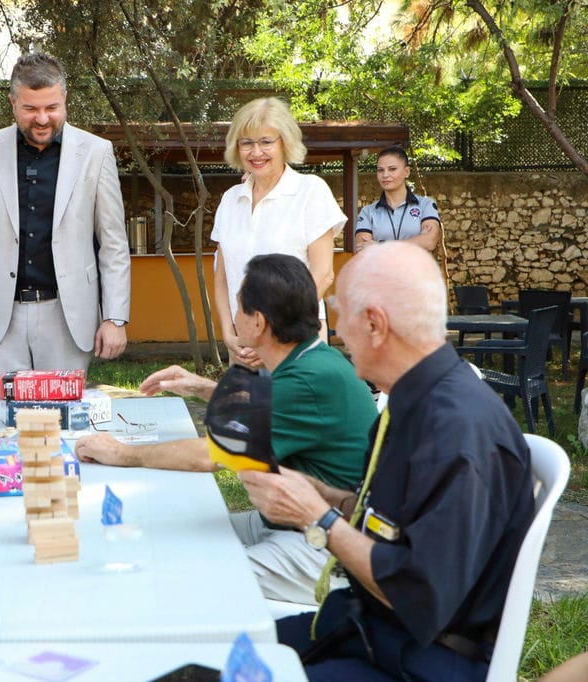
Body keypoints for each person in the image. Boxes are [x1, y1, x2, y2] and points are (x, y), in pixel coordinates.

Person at [239, 241, 535, 680]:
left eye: (340, 314)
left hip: (420, 661)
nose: (336, 332)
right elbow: (394, 525)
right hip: (367, 629)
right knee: (213, 653)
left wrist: (316, 517)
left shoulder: (458, 430)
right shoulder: (416, 402)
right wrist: (331, 498)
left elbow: (418, 591)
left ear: (375, 324)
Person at [75, 253, 376, 604]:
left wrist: (121, 453)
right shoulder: (313, 359)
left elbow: (209, 455)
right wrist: (201, 386)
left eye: (239, 308)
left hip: (327, 546)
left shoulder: (307, 380)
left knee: (180, 579)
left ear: (259, 322)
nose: (234, 318)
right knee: (165, 535)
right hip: (293, 523)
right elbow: (265, 408)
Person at [0, 52, 131, 400]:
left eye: (52, 107)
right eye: (31, 109)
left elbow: (113, 244)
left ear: (64, 99)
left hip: (68, 316)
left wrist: (115, 318)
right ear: (13, 103)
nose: (42, 119)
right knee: (6, 424)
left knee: (63, 423)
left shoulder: (96, 152)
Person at [212, 97, 346, 367]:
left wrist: (274, 336)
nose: (255, 152)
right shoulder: (230, 200)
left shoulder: (311, 191)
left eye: (266, 142)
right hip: (244, 346)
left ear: (284, 142)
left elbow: (322, 274)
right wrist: (228, 332)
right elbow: (222, 276)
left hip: (296, 343)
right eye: (246, 143)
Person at [354, 145, 441, 253]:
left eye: (392, 169)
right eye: (380, 170)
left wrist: (380, 246)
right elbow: (363, 250)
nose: (385, 175)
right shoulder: (368, 212)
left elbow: (429, 242)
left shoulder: (425, 205)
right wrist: (416, 242)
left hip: (416, 270)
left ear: (407, 172)